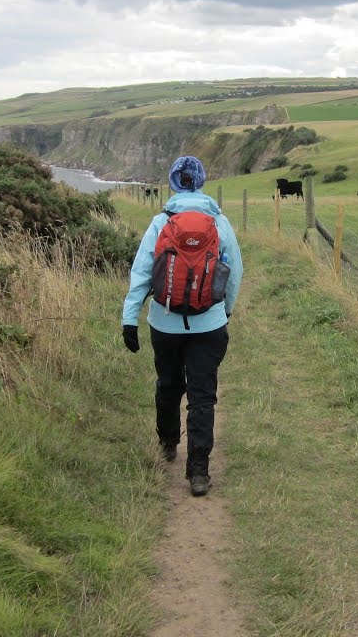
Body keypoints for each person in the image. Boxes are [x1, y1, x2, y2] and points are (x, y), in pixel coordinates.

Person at [121, 155, 243, 497]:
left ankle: (167, 443)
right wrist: (226, 311)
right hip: (209, 325)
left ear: (173, 183)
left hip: (165, 323)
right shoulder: (219, 222)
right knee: (203, 395)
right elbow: (234, 273)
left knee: (169, 384)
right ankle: (199, 472)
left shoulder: (161, 222)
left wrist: (129, 318)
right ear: (201, 182)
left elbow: (142, 273)